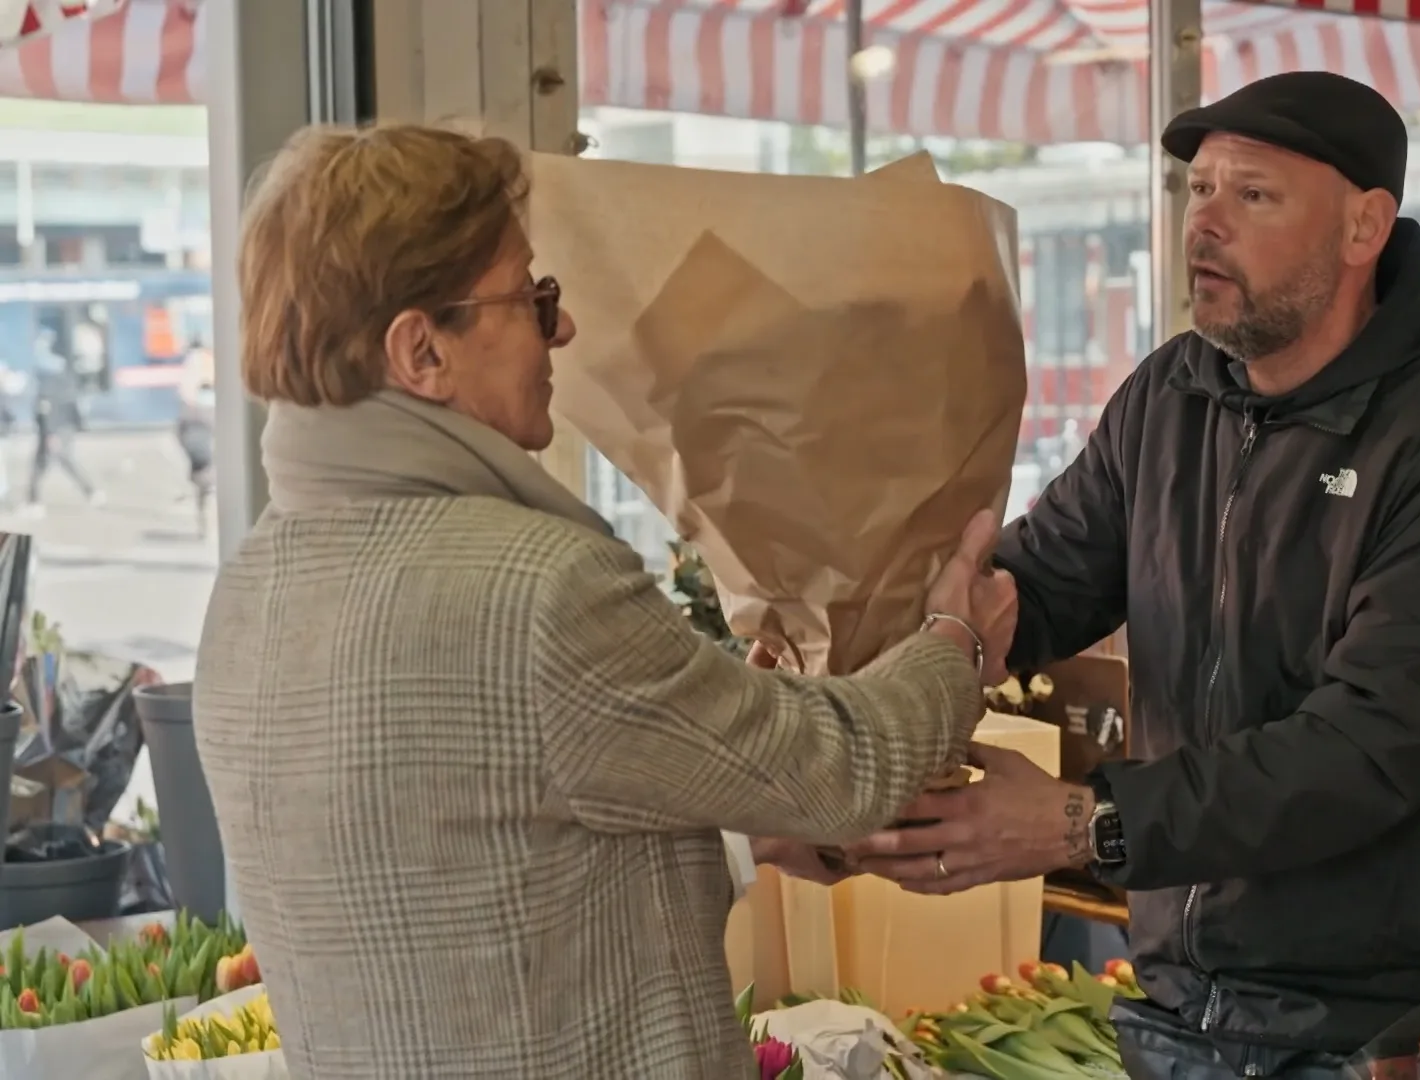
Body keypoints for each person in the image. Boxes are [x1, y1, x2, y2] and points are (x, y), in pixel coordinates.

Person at [191, 124, 1018, 1080]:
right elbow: (844, 768)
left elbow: (492, 881)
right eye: (531, 299)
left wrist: (732, 797)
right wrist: (952, 635)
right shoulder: (538, 590)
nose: (565, 330)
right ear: (422, 350)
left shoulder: (246, 596)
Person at [846, 72, 1420, 1077]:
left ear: (1365, 228)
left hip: (1398, 1026)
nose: (1204, 224)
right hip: (1187, 1003)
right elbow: (1040, 580)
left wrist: (1081, 822)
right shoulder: (1171, 395)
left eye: (1253, 195)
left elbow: (1365, 751)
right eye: (1199, 190)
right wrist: (864, 670)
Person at [26, 330, 98, 513]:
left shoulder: (47, 382)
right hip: (64, 427)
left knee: (49, 461)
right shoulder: (66, 378)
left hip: (53, 429)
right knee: (57, 460)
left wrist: (50, 433)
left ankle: (34, 503)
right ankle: (90, 492)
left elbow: (47, 408)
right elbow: (73, 404)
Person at [175, 337, 216, 536]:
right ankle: (207, 523)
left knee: (204, 484)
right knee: (206, 483)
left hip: (199, 431)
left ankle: (205, 523)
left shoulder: (194, 364)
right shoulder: (203, 362)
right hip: (203, 431)